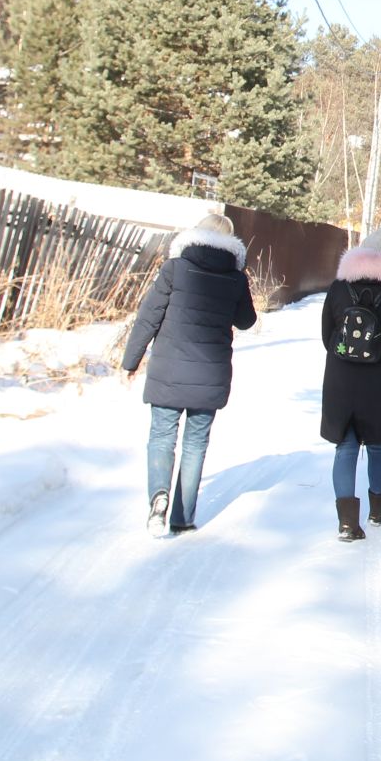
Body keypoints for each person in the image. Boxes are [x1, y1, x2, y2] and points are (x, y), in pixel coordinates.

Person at [121, 212, 257, 537]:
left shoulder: (174, 269)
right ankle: (182, 517)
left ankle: (159, 498)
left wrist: (131, 361)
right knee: (195, 444)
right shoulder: (236, 278)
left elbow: (148, 317)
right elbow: (246, 321)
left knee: (161, 437)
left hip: (168, 368)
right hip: (210, 374)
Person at [320, 226, 381, 541]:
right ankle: (378, 507)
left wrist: (344, 356)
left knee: (345, 445)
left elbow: (327, 333)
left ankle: (347, 522)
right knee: (378, 444)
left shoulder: (339, 287)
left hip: (341, 378)